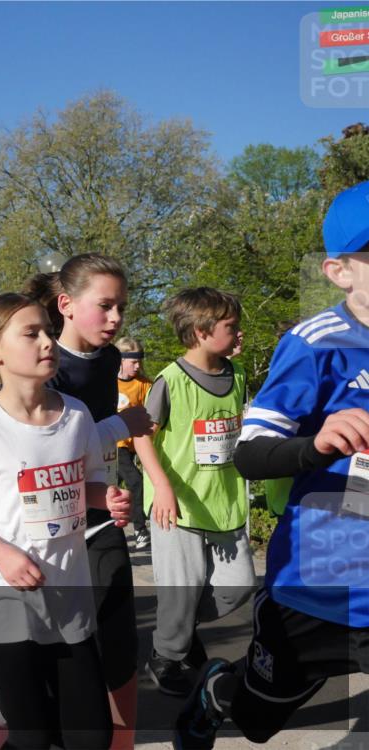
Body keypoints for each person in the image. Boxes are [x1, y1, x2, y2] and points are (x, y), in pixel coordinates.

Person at [175, 181, 369, 749]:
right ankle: (217, 692)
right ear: (339, 272)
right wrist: (319, 442)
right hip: (319, 584)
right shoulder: (316, 345)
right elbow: (251, 454)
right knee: (259, 723)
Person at [0, 292, 132, 749]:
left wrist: (108, 497)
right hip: (4, 595)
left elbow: (85, 484)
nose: (48, 342)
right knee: (33, 734)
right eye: (32, 333)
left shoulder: (76, 415)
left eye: (48, 331)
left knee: (91, 735)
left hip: (68, 590)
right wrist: (2, 556)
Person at [24, 254, 152, 750]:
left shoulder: (113, 360)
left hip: (101, 517)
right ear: (66, 306)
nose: (117, 318)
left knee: (119, 639)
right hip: (46, 523)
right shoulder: (44, 366)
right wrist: (123, 425)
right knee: (57, 643)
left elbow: (90, 445)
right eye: (105, 306)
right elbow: (46, 451)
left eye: (121, 306)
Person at [132, 288, 256, 698]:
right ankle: (165, 655)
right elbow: (140, 437)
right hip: (177, 506)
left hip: (223, 501)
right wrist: (162, 488)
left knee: (238, 585)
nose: (239, 334)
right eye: (230, 327)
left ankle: (179, 628)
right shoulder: (169, 381)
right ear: (202, 332)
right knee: (183, 587)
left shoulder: (236, 374)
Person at [116, 337, 152, 551]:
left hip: (132, 446)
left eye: (140, 361)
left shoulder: (144, 385)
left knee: (115, 489)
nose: (138, 366)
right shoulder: (107, 383)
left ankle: (113, 527)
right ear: (121, 360)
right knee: (136, 482)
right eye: (133, 362)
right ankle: (140, 529)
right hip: (112, 445)